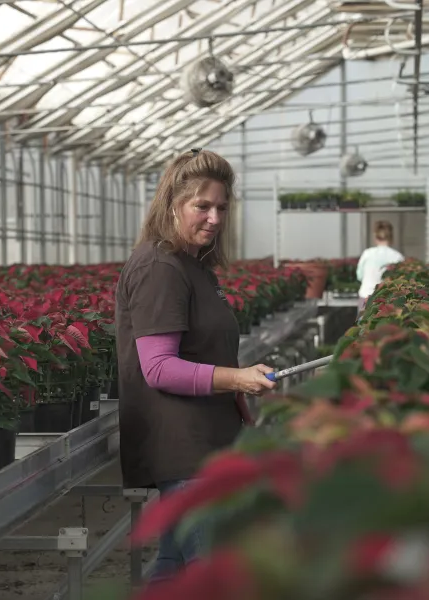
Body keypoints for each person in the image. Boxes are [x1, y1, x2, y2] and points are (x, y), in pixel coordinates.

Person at [114, 148, 276, 582]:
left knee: (174, 571)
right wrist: (236, 378)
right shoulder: (160, 267)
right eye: (202, 206)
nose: (215, 218)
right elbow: (159, 368)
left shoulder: (193, 265)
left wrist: (240, 384)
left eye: (222, 207)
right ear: (173, 204)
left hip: (207, 443)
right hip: (186, 451)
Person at [356, 220, 405, 317]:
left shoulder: (367, 254)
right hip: (387, 299)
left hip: (366, 295)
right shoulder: (397, 257)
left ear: (375, 237)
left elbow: (359, 276)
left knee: (362, 324)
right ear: (391, 237)